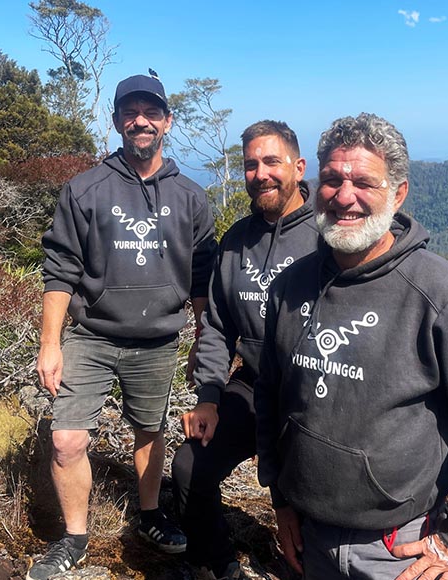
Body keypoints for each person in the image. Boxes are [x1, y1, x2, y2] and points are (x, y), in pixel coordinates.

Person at [255, 113, 448, 580]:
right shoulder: (290, 286)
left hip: (398, 549)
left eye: (364, 182)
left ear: (398, 193)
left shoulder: (439, 293)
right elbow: (270, 396)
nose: (344, 196)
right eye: (331, 179)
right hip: (305, 533)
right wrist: (280, 498)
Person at [29, 73, 217, 580]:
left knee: (149, 431)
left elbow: (202, 277)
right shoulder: (85, 188)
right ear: (116, 121)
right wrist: (50, 344)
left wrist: (203, 338)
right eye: (130, 112)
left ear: (167, 122)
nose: (141, 120)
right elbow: (60, 268)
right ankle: (74, 536)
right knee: (68, 439)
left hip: (157, 341)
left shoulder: (192, 198)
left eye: (151, 112)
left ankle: (151, 515)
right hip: (90, 335)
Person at [171, 120, 320, 580]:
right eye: (250, 164)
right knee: (190, 465)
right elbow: (216, 324)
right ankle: (216, 564)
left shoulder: (328, 236)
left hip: (313, 394)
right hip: (251, 384)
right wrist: (209, 397)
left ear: (298, 167)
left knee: (310, 498)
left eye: (272, 162)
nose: (260, 173)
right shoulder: (236, 241)